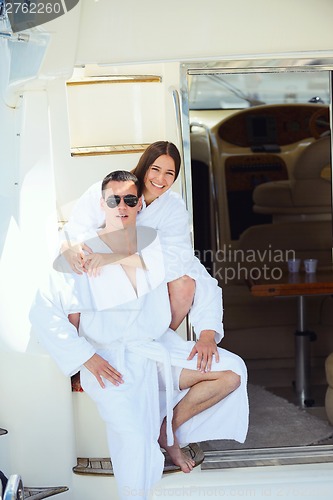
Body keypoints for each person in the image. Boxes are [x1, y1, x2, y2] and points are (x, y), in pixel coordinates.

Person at [30, 171, 248, 500]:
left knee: (231, 372)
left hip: (155, 352)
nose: (122, 206)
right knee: (133, 439)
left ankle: (168, 431)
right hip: (109, 361)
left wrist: (206, 332)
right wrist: (85, 358)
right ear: (101, 204)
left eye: (129, 199)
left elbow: (203, 284)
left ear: (139, 204)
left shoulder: (157, 246)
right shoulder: (80, 253)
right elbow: (43, 309)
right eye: (113, 200)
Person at [60, 141, 223, 372]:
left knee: (186, 283)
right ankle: (82, 362)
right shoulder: (111, 189)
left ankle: (155, 342)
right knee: (76, 280)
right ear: (144, 166)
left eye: (170, 173)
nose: (161, 179)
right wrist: (73, 247)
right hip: (101, 269)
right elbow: (76, 229)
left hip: (142, 272)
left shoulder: (172, 208)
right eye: (155, 169)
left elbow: (179, 261)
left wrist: (207, 333)